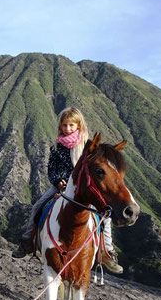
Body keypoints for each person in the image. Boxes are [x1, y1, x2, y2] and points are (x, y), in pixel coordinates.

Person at [12, 107, 123, 274]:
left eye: (71, 125)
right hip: (61, 187)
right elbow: (52, 168)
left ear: (79, 125)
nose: (67, 129)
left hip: (84, 189)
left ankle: (107, 251)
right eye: (64, 125)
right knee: (38, 206)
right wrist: (58, 180)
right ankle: (27, 241)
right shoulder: (58, 146)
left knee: (105, 216)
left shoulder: (88, 147)